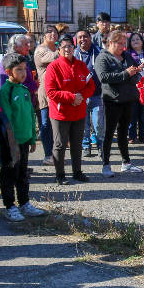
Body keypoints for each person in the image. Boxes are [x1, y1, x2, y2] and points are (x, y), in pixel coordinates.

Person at [0, 52, 46, 220]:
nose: (24, 73)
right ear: (9, 72)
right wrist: (12, 141)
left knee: (23, 174)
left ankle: (24, 203)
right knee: (9, 173)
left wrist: (32, 138)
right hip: (12, 142)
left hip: (25, 140)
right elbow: (7, 119)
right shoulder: (6, 91)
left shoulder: (25, 90)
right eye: (19, 70)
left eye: (25, 69)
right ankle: (9, 206)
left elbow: (31, 115)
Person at [95, 30, 144, 177]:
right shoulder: (103, 58)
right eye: (120, 43)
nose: (123, 47)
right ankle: (106, 164)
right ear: (110, 42)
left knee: (124, 132)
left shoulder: (127, 56)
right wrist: (126, 74)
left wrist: (135, 73)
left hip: (128, 98)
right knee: (109, 133)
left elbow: (135, 74)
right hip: (112, 100)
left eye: (124, 43)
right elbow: (104, 77)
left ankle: (126, 163)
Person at [45, 37, 95, 184]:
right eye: (64, 47)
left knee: (77, 144)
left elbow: (91, 86)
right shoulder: (53, 67)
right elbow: (51, 92)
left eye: (70, 46)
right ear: (59, 49)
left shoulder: (81, 65)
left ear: (74, 48)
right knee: (60, 145)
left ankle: (77, 172)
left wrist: (80, 97)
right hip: (61, 114)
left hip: (79, 112)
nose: (68, 49)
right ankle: (59, 175)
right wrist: (71, 97)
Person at [74, 29, 104, 157]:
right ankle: (85, 146)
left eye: (85, 37)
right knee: (83, 124)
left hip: (98, 93)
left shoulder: (99, 52)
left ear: (90, 38)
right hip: (81, 95)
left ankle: (100, 145)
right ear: (76, 40)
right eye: (80, 37)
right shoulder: (74, 54)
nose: (83, 39)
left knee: (98, 123)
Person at [34, 26, 59, 165]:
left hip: (58, 90)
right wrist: (64, 50)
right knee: (45, 124)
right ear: (44, 35)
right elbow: (51, 59)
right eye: (50, 32)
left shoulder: (56, 49)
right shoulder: (40, 50)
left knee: (57, 124)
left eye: (55, 32)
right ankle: (48, 154)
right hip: (45, 91)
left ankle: (56, 154)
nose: (53, 34)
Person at [127, 32, 144, 144]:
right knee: (132, 113)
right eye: (133, 40)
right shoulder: (128, 54)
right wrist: (136, 69)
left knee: (143, 113)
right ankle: (131, 135)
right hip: (133, 87)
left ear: (142, 41)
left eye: (138, 39)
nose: (135, 41)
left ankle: (142, 135)